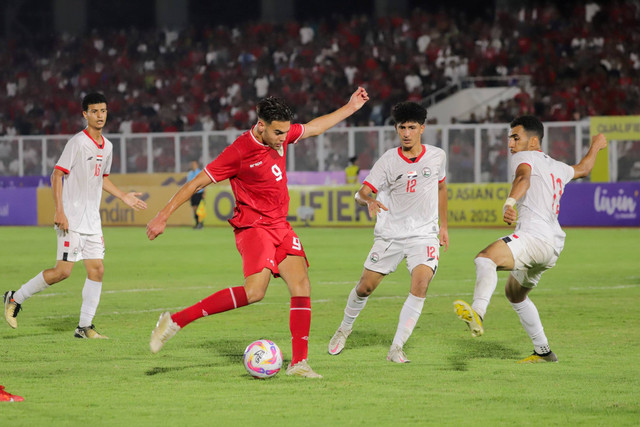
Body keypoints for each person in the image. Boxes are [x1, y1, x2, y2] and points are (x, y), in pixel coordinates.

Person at [146, 87, 370, 378]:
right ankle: (175, 320)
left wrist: (350, 107)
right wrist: (163, 216)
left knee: (301, 286)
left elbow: (316, 127)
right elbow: (196, 183)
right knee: (255, 293)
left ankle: (299, 363)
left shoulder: (281, 133)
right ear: (260, 125)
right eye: (278, 133)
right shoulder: (239, 151)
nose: (283, 139)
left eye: (285, 133)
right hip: (253, 227)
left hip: (280, 225)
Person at [453, 115, 608, 363]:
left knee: (485, 259)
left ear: (533, 141)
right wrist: (597, 145)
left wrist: (510, 202)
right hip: (552, 246)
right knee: (515, 294)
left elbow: (523, 178)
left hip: (533, 238)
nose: (511, 144)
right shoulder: (557, 166)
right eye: (510, 139)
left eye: (516, 137)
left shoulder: (524, 157)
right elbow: (584, 168)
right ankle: (544, 352)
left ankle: (478, 313)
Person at [3, 92, 147, 338]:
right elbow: (56, 175)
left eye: (103, 111)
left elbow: (102, 178)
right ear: (85, 114)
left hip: (92, 220)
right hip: (71, 217)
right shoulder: (77, 143)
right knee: (63, 272)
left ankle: (84, 327)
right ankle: (14, 298)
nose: (99, 116)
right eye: (94, 111)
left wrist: (123, 196)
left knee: (97, 269)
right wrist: (59, 210)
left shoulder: (108, 146)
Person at [328, 102, 449, 363]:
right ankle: (344, 328)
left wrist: (444, 227)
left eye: (412, 128)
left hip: (423, 235)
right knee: (365, 287)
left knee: (421, 285)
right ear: (396, 129)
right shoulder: (388, 161)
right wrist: (367, 200)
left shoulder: (438, 156)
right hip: (391, 234)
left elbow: (441, 188)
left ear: (422, 129)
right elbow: (362, 192)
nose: (406, 133)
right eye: (402, 127)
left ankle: (396, 347)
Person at [187, 160, 205, 229]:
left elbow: (204, 182)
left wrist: (204, 193)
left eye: (194, 164)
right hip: (193, 193)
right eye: (192, 164)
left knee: (199, 209)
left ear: (197, 165)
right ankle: (197, 223)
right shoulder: (190, 173)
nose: (193, 165)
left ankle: (200, 223)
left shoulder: (200, 172)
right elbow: (188, 183)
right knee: (194, 209)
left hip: (199, 192)